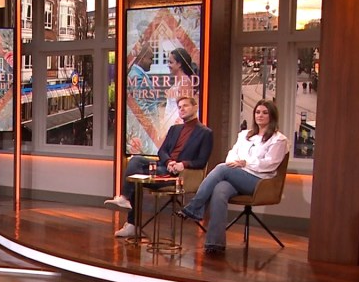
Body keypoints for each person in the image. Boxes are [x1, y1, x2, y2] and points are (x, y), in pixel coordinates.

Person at [179, 99, 289, 254]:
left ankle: (195, 206)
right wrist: (235, 163)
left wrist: (245, 163)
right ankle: (215, 243)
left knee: (222, 169)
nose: (260, 115)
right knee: (220, 189)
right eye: (257, 112)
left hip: (260, 182)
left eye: (265, 113)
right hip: (238, 176)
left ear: (272, 116)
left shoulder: (278, 139)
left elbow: (270, 164)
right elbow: (232, 154)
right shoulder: (245, 135)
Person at [105, 95, 212, 238]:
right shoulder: (174, 129)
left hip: (179, 175)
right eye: (179, 107)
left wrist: (182, 164)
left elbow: (202, 161)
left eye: (185, 106)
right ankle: (125, 200)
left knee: (136, 178)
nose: (181, 109)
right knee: (136, 161)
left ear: (195, 107)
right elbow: (162, 151)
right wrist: (168, 161)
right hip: (165, 166)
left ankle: (132, 223)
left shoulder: (205, 133)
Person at [162, 47, 197, 128]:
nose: (168, 65)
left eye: (171, 62)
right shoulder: (179, 81)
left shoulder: (185, 82)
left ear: (179, 64)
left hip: (177, 124)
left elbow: (186, 108)